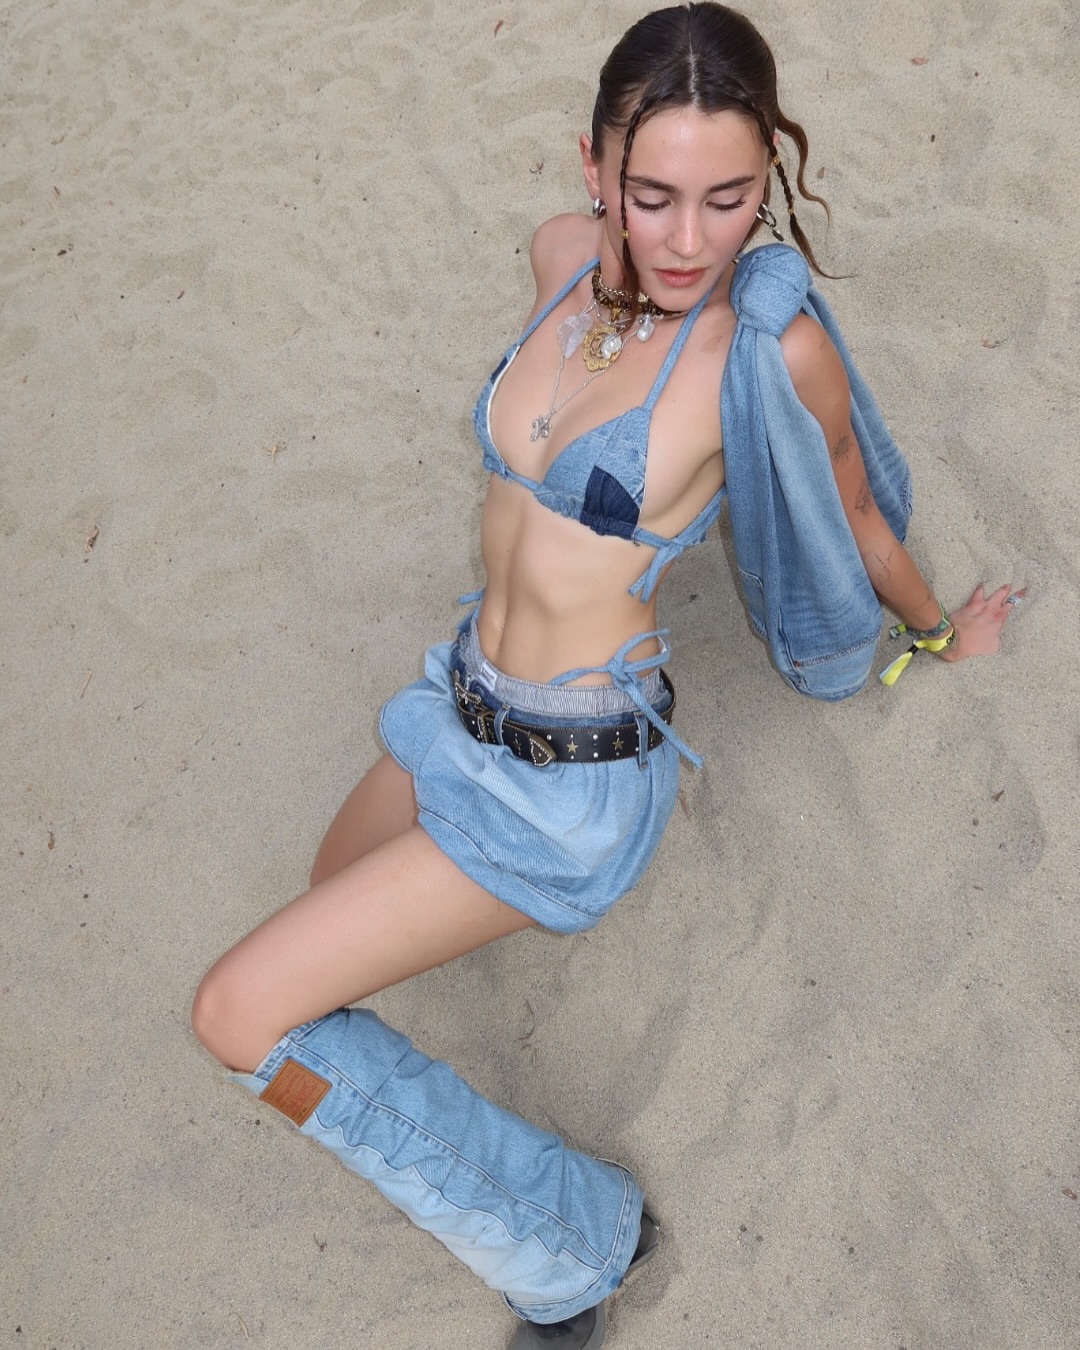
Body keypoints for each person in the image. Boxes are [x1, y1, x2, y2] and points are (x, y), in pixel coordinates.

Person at [191, 5, 1021, 1346]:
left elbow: (856, 509)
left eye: (729, 199)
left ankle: (577, 1244)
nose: (689, 240)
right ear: (595, 169)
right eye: (653, 196)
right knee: (317, 940)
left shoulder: (765, 350)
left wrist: (932, 633)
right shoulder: (560, 259)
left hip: (568, 785)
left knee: (241, 1015)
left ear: (769, 175)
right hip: (452, 704)